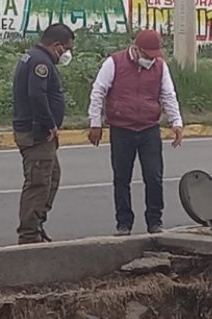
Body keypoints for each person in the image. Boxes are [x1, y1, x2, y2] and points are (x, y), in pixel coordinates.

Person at [87, 29, 184, 236]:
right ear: (136, 48)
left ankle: (154, 221)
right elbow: (98, 92)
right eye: (147, 55)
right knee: (122, 178)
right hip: (122, 129)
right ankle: (124, 223)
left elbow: (168, 95)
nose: (150, 59)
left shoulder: (160, 67)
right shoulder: (114, 63)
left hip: (149, 129)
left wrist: (177, 122)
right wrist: (95, 122)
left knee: (154, 176)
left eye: (154, 55)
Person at [11, 24, 75, 245]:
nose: (66, 54)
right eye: (66, 49)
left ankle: (37, 224)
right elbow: (36, 95)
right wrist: (49, 124)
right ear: (56, 46)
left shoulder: (34, 57)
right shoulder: (40, 62)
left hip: (39, 132)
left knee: (52, 177)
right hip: (36, 133)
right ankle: (29, 235)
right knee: (38, 182)